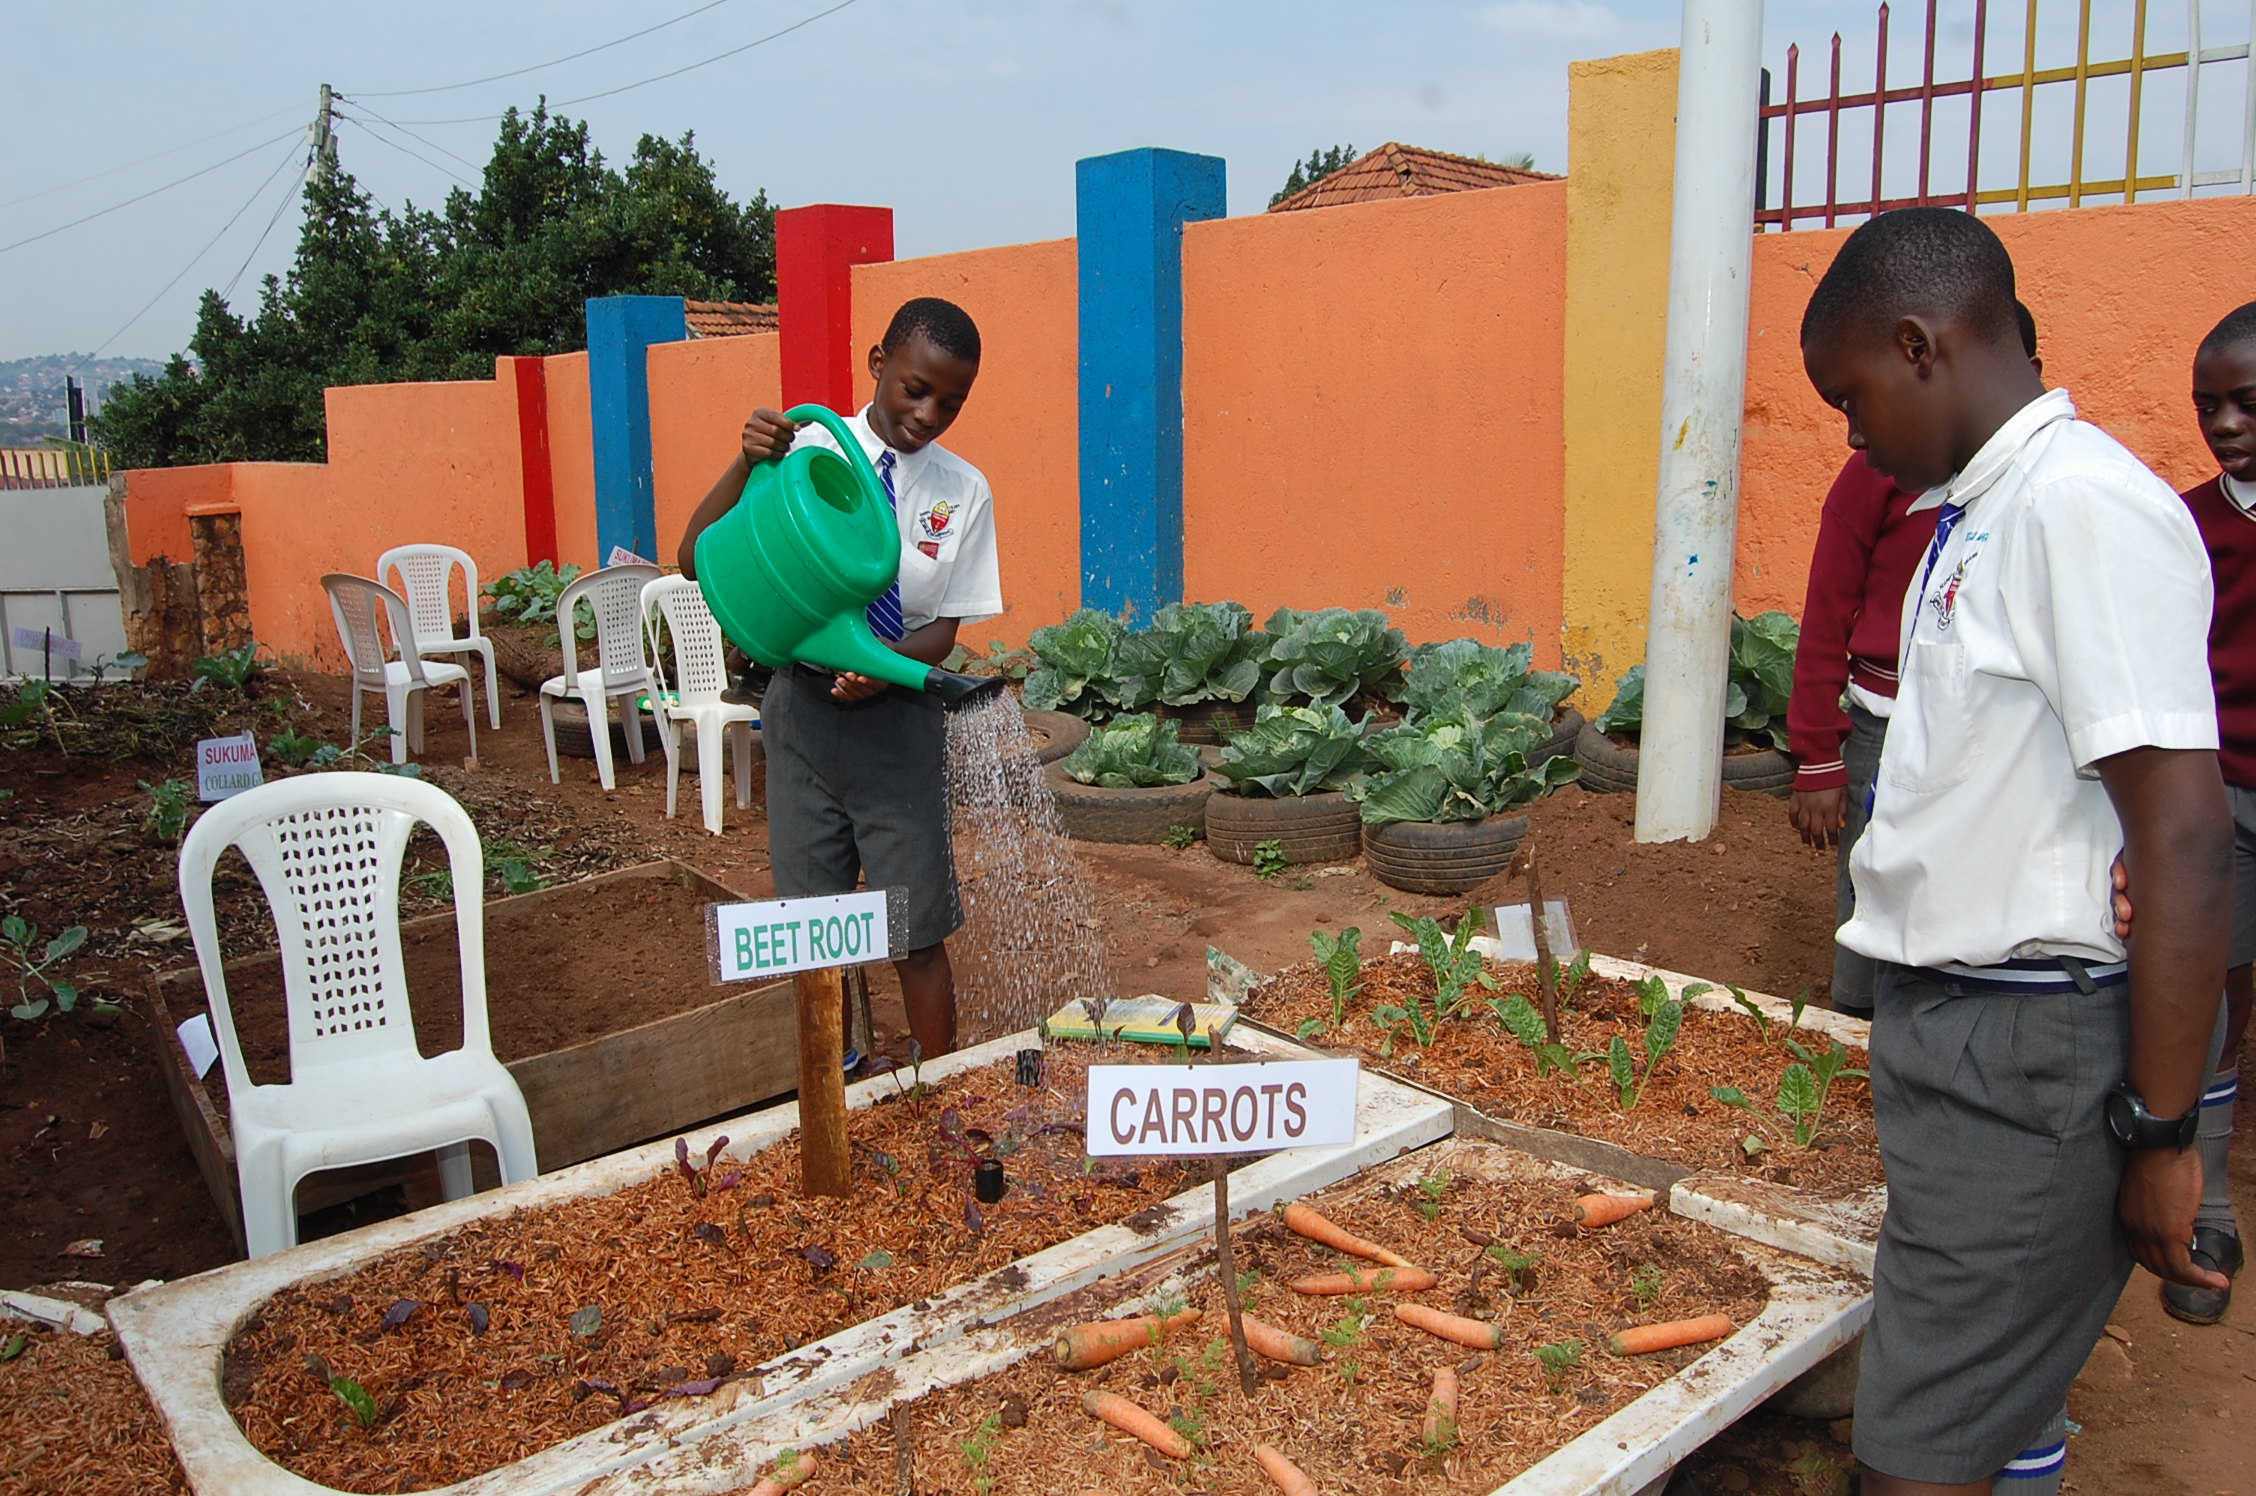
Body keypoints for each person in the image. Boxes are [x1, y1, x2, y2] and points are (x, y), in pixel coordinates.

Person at [1799, 207, 2229, 1496]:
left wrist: (2162, 1136)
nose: (1851, 427)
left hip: (2029, 1056)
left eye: (1850, 392)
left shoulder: (2078, 508)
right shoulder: (1981, 510)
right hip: (1975, 1038)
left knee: (1915, 1461)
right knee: (1980, 1418)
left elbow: (2185, 828)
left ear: (1920, 344)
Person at [677, 297, 1001, 1062]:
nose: (928, 414)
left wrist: (888, 671)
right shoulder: (804, 453)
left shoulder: (964, 491)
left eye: (951, 403)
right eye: (915, 389)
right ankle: (839, 1074)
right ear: (877, 363)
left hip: (898, 727)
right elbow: (696, 559)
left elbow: (945, 628)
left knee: (915, 929)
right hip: (804, 720)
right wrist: (746, 461)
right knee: (809, 926)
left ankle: (933, 1088)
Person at [1787, 304, 2040, 1020]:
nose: (1855, 431)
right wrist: (1817, 756)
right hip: (1883, 727)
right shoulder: (1874, 478)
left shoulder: (2036, 493)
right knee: (1876, 880)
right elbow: (1827, 614)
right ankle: (1860, 1027)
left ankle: (1948, 1028)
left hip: (1988, 733)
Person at [2166, 298, 2256, 1324]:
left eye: (2246, 403)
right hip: (2223, 790)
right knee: (2216, 996)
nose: (2224, 423)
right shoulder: (2187, 525)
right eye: (2208, 405)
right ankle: (2210, 1203)